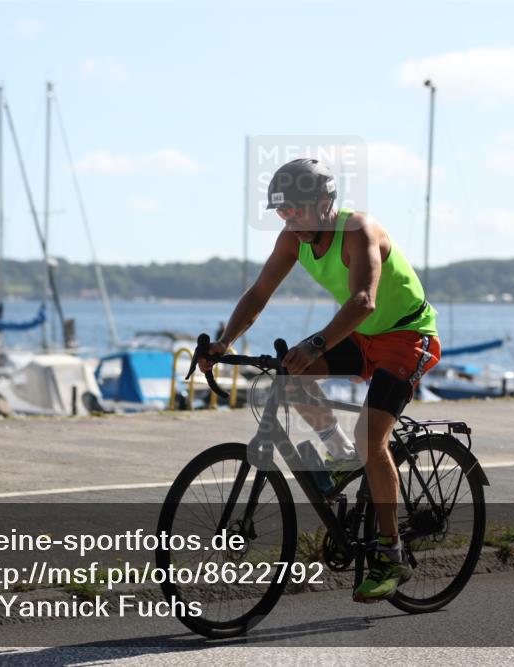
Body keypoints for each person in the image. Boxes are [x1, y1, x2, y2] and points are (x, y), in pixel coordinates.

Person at [201, 158, 441, 602]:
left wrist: (315, 343)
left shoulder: (359, 232)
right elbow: (258, 294)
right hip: (361, 337)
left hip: (407, 335)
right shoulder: (293, 240)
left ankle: (392, 554)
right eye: (282, 211)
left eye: (296, 209)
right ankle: (338, 453)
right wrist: (224, 341)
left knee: (372, 439)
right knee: (291, 376)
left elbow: (364, 301)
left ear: (325, 202)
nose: (289, 219)